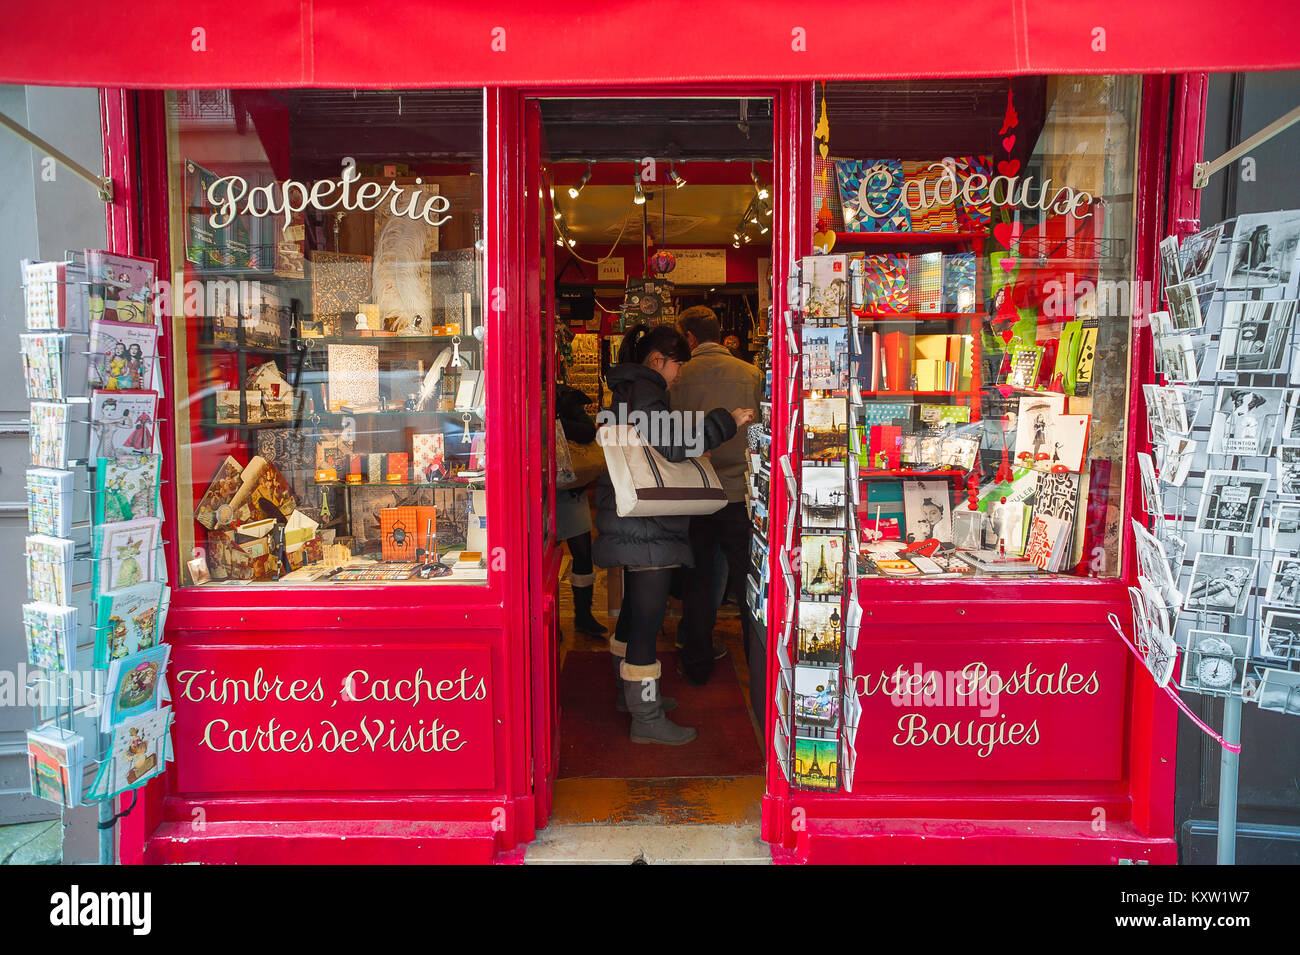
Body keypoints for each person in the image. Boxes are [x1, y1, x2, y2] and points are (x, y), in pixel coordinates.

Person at [592, 323, 747, 745]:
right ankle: (646, 716)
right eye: (678, 364)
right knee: (647, 618)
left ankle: (631, 696)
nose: (680, 374)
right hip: (649, 521)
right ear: (658, 360)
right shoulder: (646, 388)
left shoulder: (626, 386)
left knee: (634, 614)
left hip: (635, 516)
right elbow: (670, 444)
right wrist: (724, 423)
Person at [671, 306, 762, 685]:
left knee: (698, 577)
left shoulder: (677, 376)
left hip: (696, 488)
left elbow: (670, 438)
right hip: (742, 490)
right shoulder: (752, 374)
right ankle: (759, 664)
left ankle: (697, 662)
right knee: (748, 580)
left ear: (689, 338)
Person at [554, 381, 606, 640]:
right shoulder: (517, 395)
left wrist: (553, 426)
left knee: (583, 555)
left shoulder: (565, 396)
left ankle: (583, 616)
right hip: (536, 495)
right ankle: (550, 620)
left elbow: (587, 432)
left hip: (570, 492)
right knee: (543, 563)